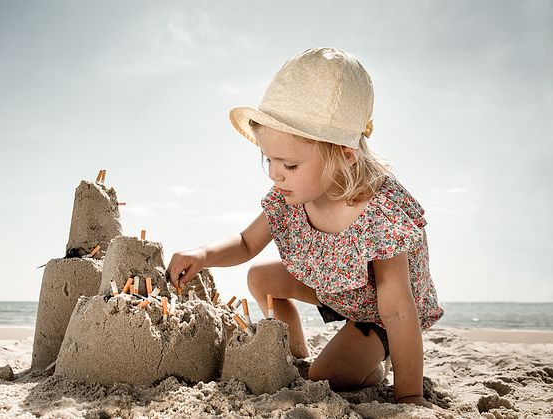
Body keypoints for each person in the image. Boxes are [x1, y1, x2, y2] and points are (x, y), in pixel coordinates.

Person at [167, 47, 444, 410]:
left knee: (326, 378)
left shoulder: (378, 212)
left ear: (344, 156)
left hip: (378, 313)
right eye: (269, 159)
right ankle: (294, 353)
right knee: (261, 278)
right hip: (337, 289)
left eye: (290, 164)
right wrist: (204, 255)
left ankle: (368, 362)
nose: (274, 173)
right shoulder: (289, 194)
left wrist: (410, 395)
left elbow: (398, 310)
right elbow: (248, 243)